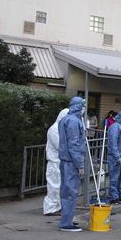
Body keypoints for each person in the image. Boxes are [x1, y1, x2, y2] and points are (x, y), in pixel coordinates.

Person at [57, 97, 86, 232]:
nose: (84, 108)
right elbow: (73, 145)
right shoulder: (74, 121)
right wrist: (80, 165)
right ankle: (65, 223)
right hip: (71, 162)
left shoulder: (65, 120)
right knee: (70, 192)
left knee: (66, 191)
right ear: (77, 106)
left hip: (66, 160)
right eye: (83, 105)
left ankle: (66, 220)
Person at [43, 108, 69, 216]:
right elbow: (59, 146)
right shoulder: (54, 129)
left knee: (59, 187)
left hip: (59, 162)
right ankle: (50, 208)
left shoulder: (60, 129)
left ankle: (57, 207)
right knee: (54, 187)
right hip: (54, 162)